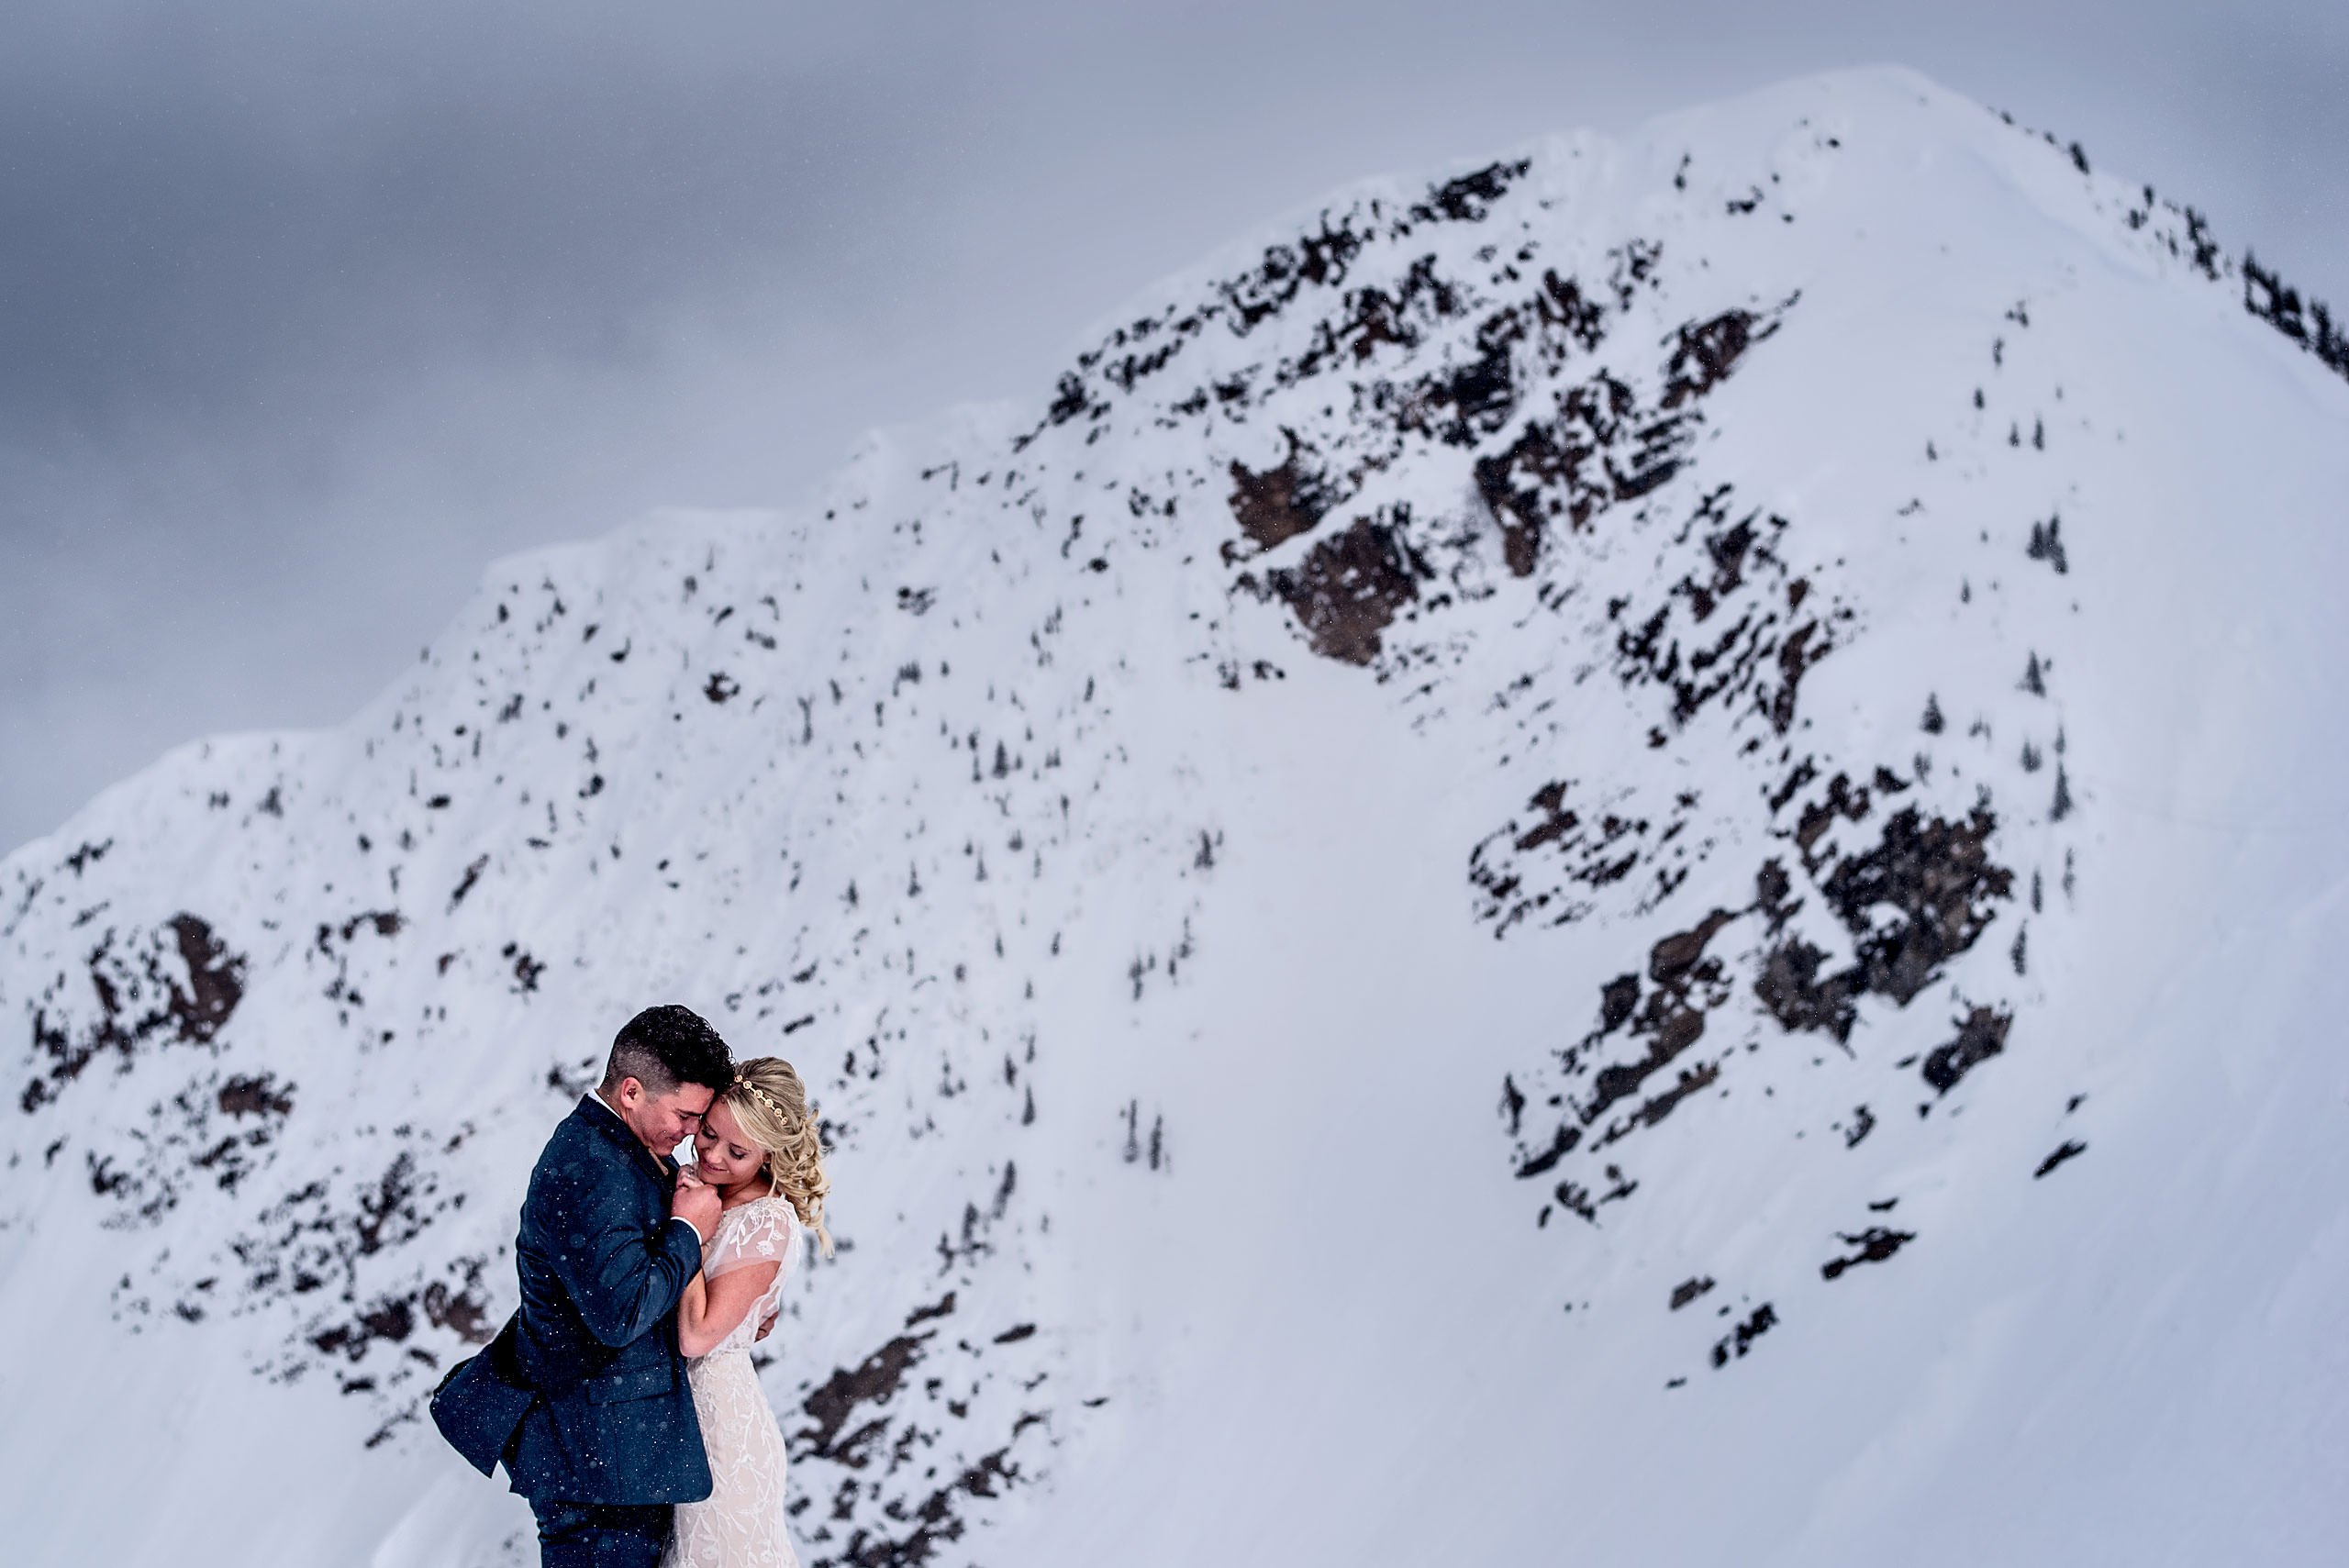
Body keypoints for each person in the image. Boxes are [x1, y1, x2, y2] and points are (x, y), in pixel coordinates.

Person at [431, 1004, 736, 1567]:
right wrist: (688, 1230)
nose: (694, 1134)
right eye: (687, 1115)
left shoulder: (619, 1150)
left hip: (613, 1458)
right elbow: (621, 1313)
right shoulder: (590, 1167)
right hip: (598, 1466)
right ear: (631, 1092)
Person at [661, 1055, 834, 1568]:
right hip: (682, 1421)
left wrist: (686, 1230)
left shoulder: (767, 1221)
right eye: (708, 1133)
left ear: (767, 1157)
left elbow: (696, 1336)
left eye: (737, 1151)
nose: (711, 1155)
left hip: (723, 1435)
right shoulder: (702, 1185)